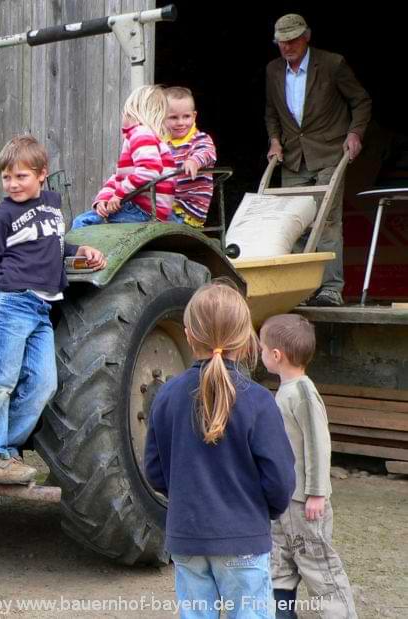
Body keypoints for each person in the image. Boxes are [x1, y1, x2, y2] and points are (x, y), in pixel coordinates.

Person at [144, 281, 295, 618]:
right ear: (245, 339)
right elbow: (280, 481)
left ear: (188, 334)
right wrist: (258, 512)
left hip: (187, 537)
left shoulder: (166, 395)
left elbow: (155, 472)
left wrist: (189, 495)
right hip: (243, 537)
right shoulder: (258, 401)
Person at [0, 135, 106, 484]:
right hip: (10, 303)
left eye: (21, 177)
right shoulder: (2, 217)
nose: (13, 184)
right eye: (7, 178)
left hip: (42, 309)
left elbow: (53, 245)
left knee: (44, 385)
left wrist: (80, 250)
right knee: (0, 381)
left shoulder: (51, 208)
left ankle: (5, 449)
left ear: (42, 174)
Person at [264, 13, 371, 307]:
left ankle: (331, 288)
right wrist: (274, 140)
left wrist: (354, 134)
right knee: (294, 222)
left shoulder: (332, 64)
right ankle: (301, 289)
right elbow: (272, 112)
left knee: (326, 221)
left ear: (306, 36)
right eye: (282, 41)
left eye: (293, 39)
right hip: (293, 159)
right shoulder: (273, 70)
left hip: (328, 154)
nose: (288, 46)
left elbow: (360, 101)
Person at [259, 314, 357, 618]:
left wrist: (317, 492)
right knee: (279, 567)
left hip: (305, 505)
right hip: (283, 503)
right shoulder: (285, 391)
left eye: (262, 348)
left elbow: (318, 443)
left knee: (320, 570)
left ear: (276, 356)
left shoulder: (302, 393)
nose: (260, 353)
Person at [72, 85, 177, 228]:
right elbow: (118, 178)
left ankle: (86, 251)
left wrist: (119, 194)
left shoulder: (140, 133)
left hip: (142, 210)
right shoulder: (152, 139)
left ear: (132, 111)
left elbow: (149, 171)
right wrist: (103, 199)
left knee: (82, 223)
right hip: (152, 211)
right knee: (96, 215)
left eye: (125, 112)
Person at [164, 86, 218, 228]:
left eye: (186, 116)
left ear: (194, 116)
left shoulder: (199, 139)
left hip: (187, 210)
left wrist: (193, 161)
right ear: (162, 117)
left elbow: (206, 152)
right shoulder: (163, 143)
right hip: (166, 204)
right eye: (173, 117)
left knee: (140, 220)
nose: (180, 122)